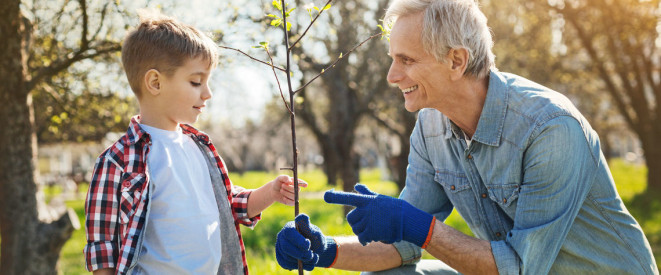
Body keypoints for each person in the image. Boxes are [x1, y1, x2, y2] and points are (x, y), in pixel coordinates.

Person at [274, 0, 659, 274]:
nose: (392, 76)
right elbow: (404, 245)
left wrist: (420, 227)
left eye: (406, 60)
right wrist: (325, 251)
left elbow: (518, 269)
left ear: (456, 61)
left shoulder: (549, 128)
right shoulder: (430, 126)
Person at [84, 11, 306, 275]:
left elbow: (228, 204)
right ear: (155, 82)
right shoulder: (117, 161)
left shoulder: (200, 149)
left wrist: (269, 193)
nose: (208, 93)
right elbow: (102, 248)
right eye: (196, 82)